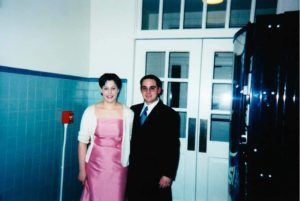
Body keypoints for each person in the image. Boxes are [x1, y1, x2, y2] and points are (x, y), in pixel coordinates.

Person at [77, 73, 134, 201]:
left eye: (113, 88)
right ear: (101, 90)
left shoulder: (128, 113)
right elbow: (82, 142)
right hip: (94, 166)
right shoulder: (90, 111)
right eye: (106, 88)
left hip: (118, 168)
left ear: (119, 90)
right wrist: (82, 170)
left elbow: (128, 141)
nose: (109, 92)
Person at [126, 74, 180, 201]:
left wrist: (168, 174)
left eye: (152, 88)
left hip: (157, 175)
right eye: (144, 88)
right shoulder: (133, 110)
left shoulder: (170, 115)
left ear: (159, 90)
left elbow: (173, 147)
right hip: (135, 172)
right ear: (141, 90)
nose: (148, 92)